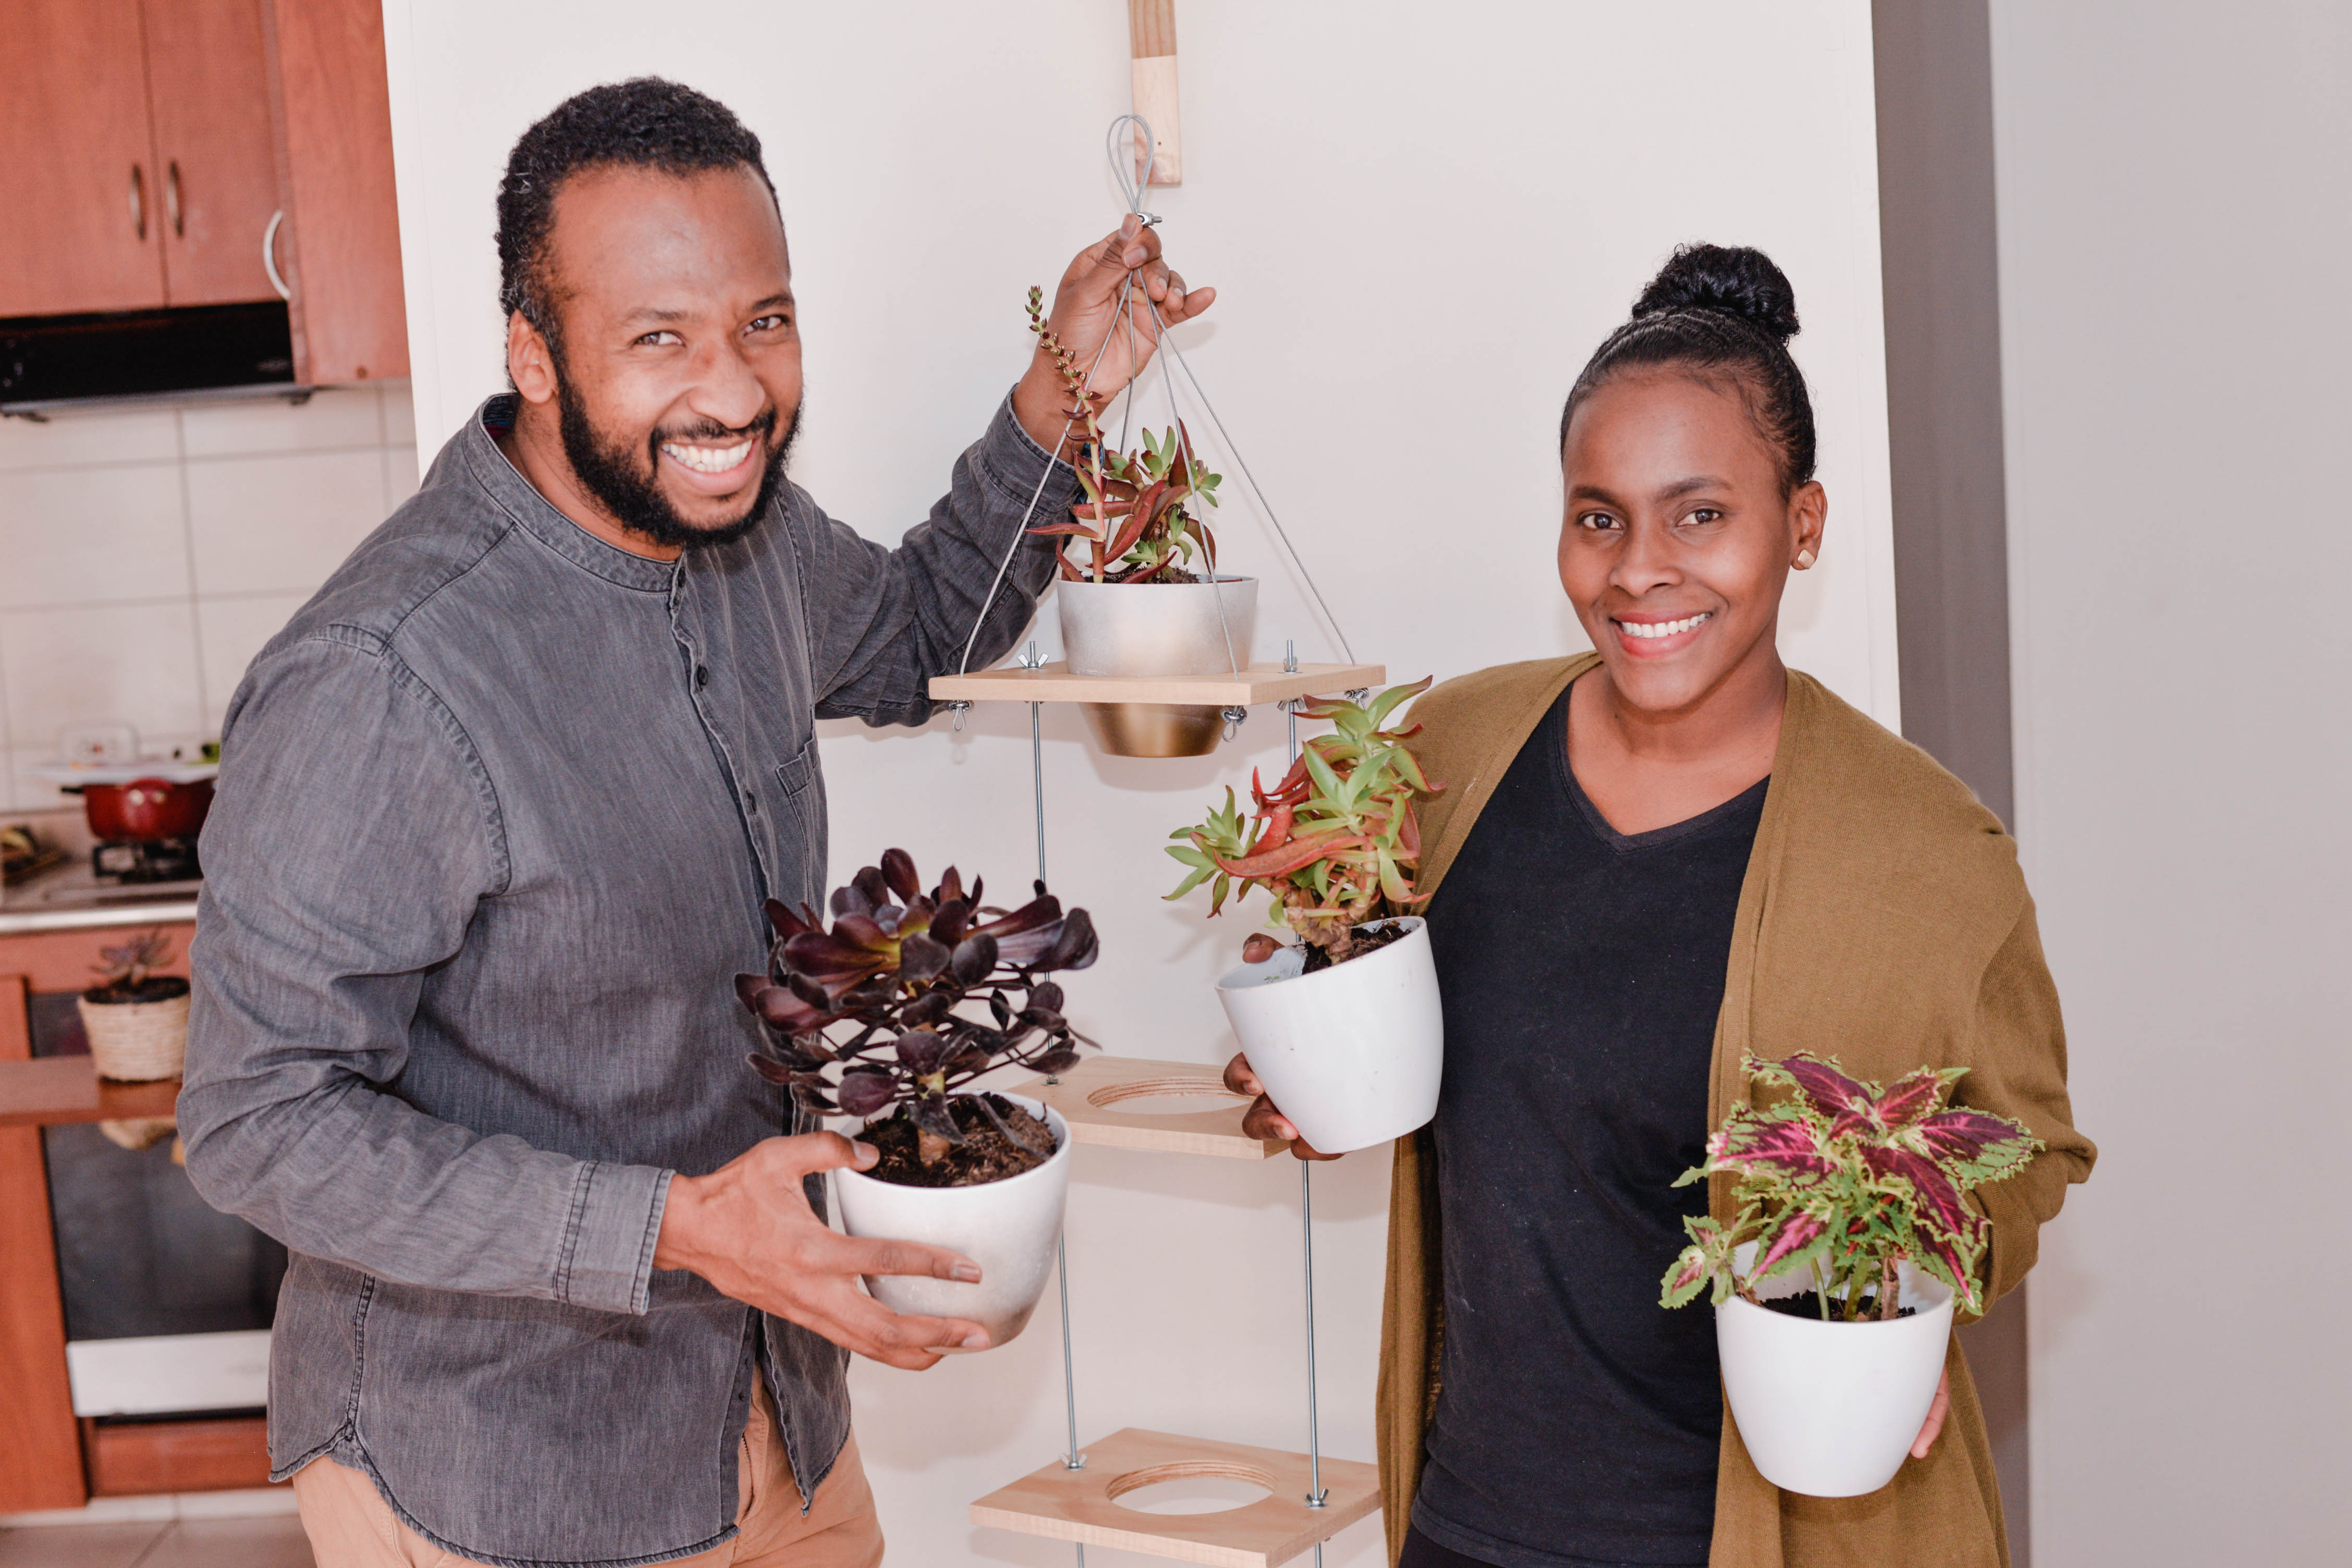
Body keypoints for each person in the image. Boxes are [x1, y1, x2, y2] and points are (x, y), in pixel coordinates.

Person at [178, 78, 1210, 1568]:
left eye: (763, 322)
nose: (731, 392)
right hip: (504, 1475)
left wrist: (1063, 396)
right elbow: (256, 1120)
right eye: (658, 337)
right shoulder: (383, 675)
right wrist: (673, 1227)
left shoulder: (752, 540)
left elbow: (926, 626)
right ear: (534, 355)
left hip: (777, 1408)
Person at [1226, 246, 2093, 1568]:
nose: (1639, 569)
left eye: (1699, 515)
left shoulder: (1929, 853)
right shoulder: (1451, 756)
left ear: (1803, 523)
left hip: (1781, 1536)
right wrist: (1308, 1070)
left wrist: (1918, 1289)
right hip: (1472, 1525)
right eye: (1599, 517)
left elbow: (2031, 1149)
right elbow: (1376, 990)